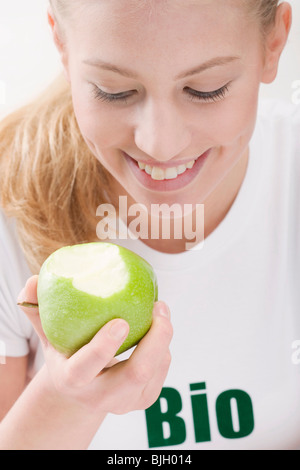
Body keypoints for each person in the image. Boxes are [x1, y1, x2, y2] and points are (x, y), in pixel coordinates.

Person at [0, 0, 298, 450]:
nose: (161, 144)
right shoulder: (11, 214)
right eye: (113, 90)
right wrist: (66, 399)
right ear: (60, 43)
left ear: (273, 42)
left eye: (206, 88)